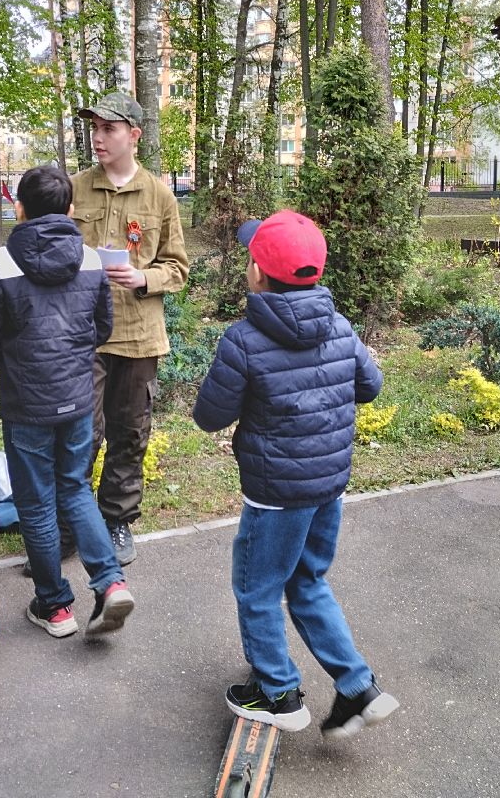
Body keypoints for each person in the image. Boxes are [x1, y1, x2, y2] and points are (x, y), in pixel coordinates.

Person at [192, 209, 399, 737]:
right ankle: (357, 686)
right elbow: (369, 386)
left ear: (258, 273)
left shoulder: (244, 338)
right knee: (307, 580)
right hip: (328, 485)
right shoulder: (340, 326)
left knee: (258, 587)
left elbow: (210, 415)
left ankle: (278, 694)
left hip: (275, 492)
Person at [0, 165, 134, 638]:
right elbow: (102, 327)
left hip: (27, 403)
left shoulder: (2, 262)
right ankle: (110, 581)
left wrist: (15, 366)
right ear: (69, 210)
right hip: (77, 397)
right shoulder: (90, 260)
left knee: (38, 504)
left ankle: (55, 606)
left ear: (19, 208)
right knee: (76, 489)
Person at [71, 92, 189, 565]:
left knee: (129, 429)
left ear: (134, 135)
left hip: (139, 334)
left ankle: (116, 521)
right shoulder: (75, 188)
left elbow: (178, 268)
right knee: (80, 431)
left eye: (108, 129)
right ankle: (69, 525)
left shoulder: (160, 195)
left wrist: (143, 277)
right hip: (82, 334)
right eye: (94, 129)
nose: (97, 138)